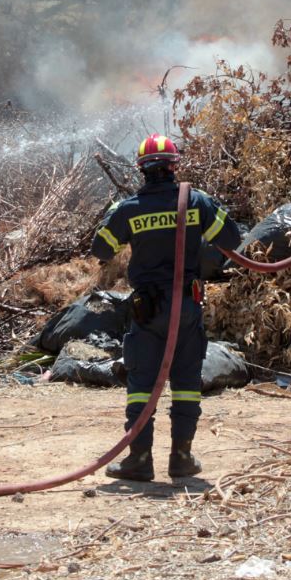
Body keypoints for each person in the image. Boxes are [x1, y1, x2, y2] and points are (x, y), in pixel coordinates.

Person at [90, 133, 243, 482]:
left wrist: (122, 221)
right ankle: (182, 458)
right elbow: (232, 240)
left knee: (143, 382)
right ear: (174, 166)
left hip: (148, 310)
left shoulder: (129, 209)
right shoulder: (197, 202)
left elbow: (101, 250)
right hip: (186, 305)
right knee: (187, 381)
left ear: (141, 170)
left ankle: (140, 460)